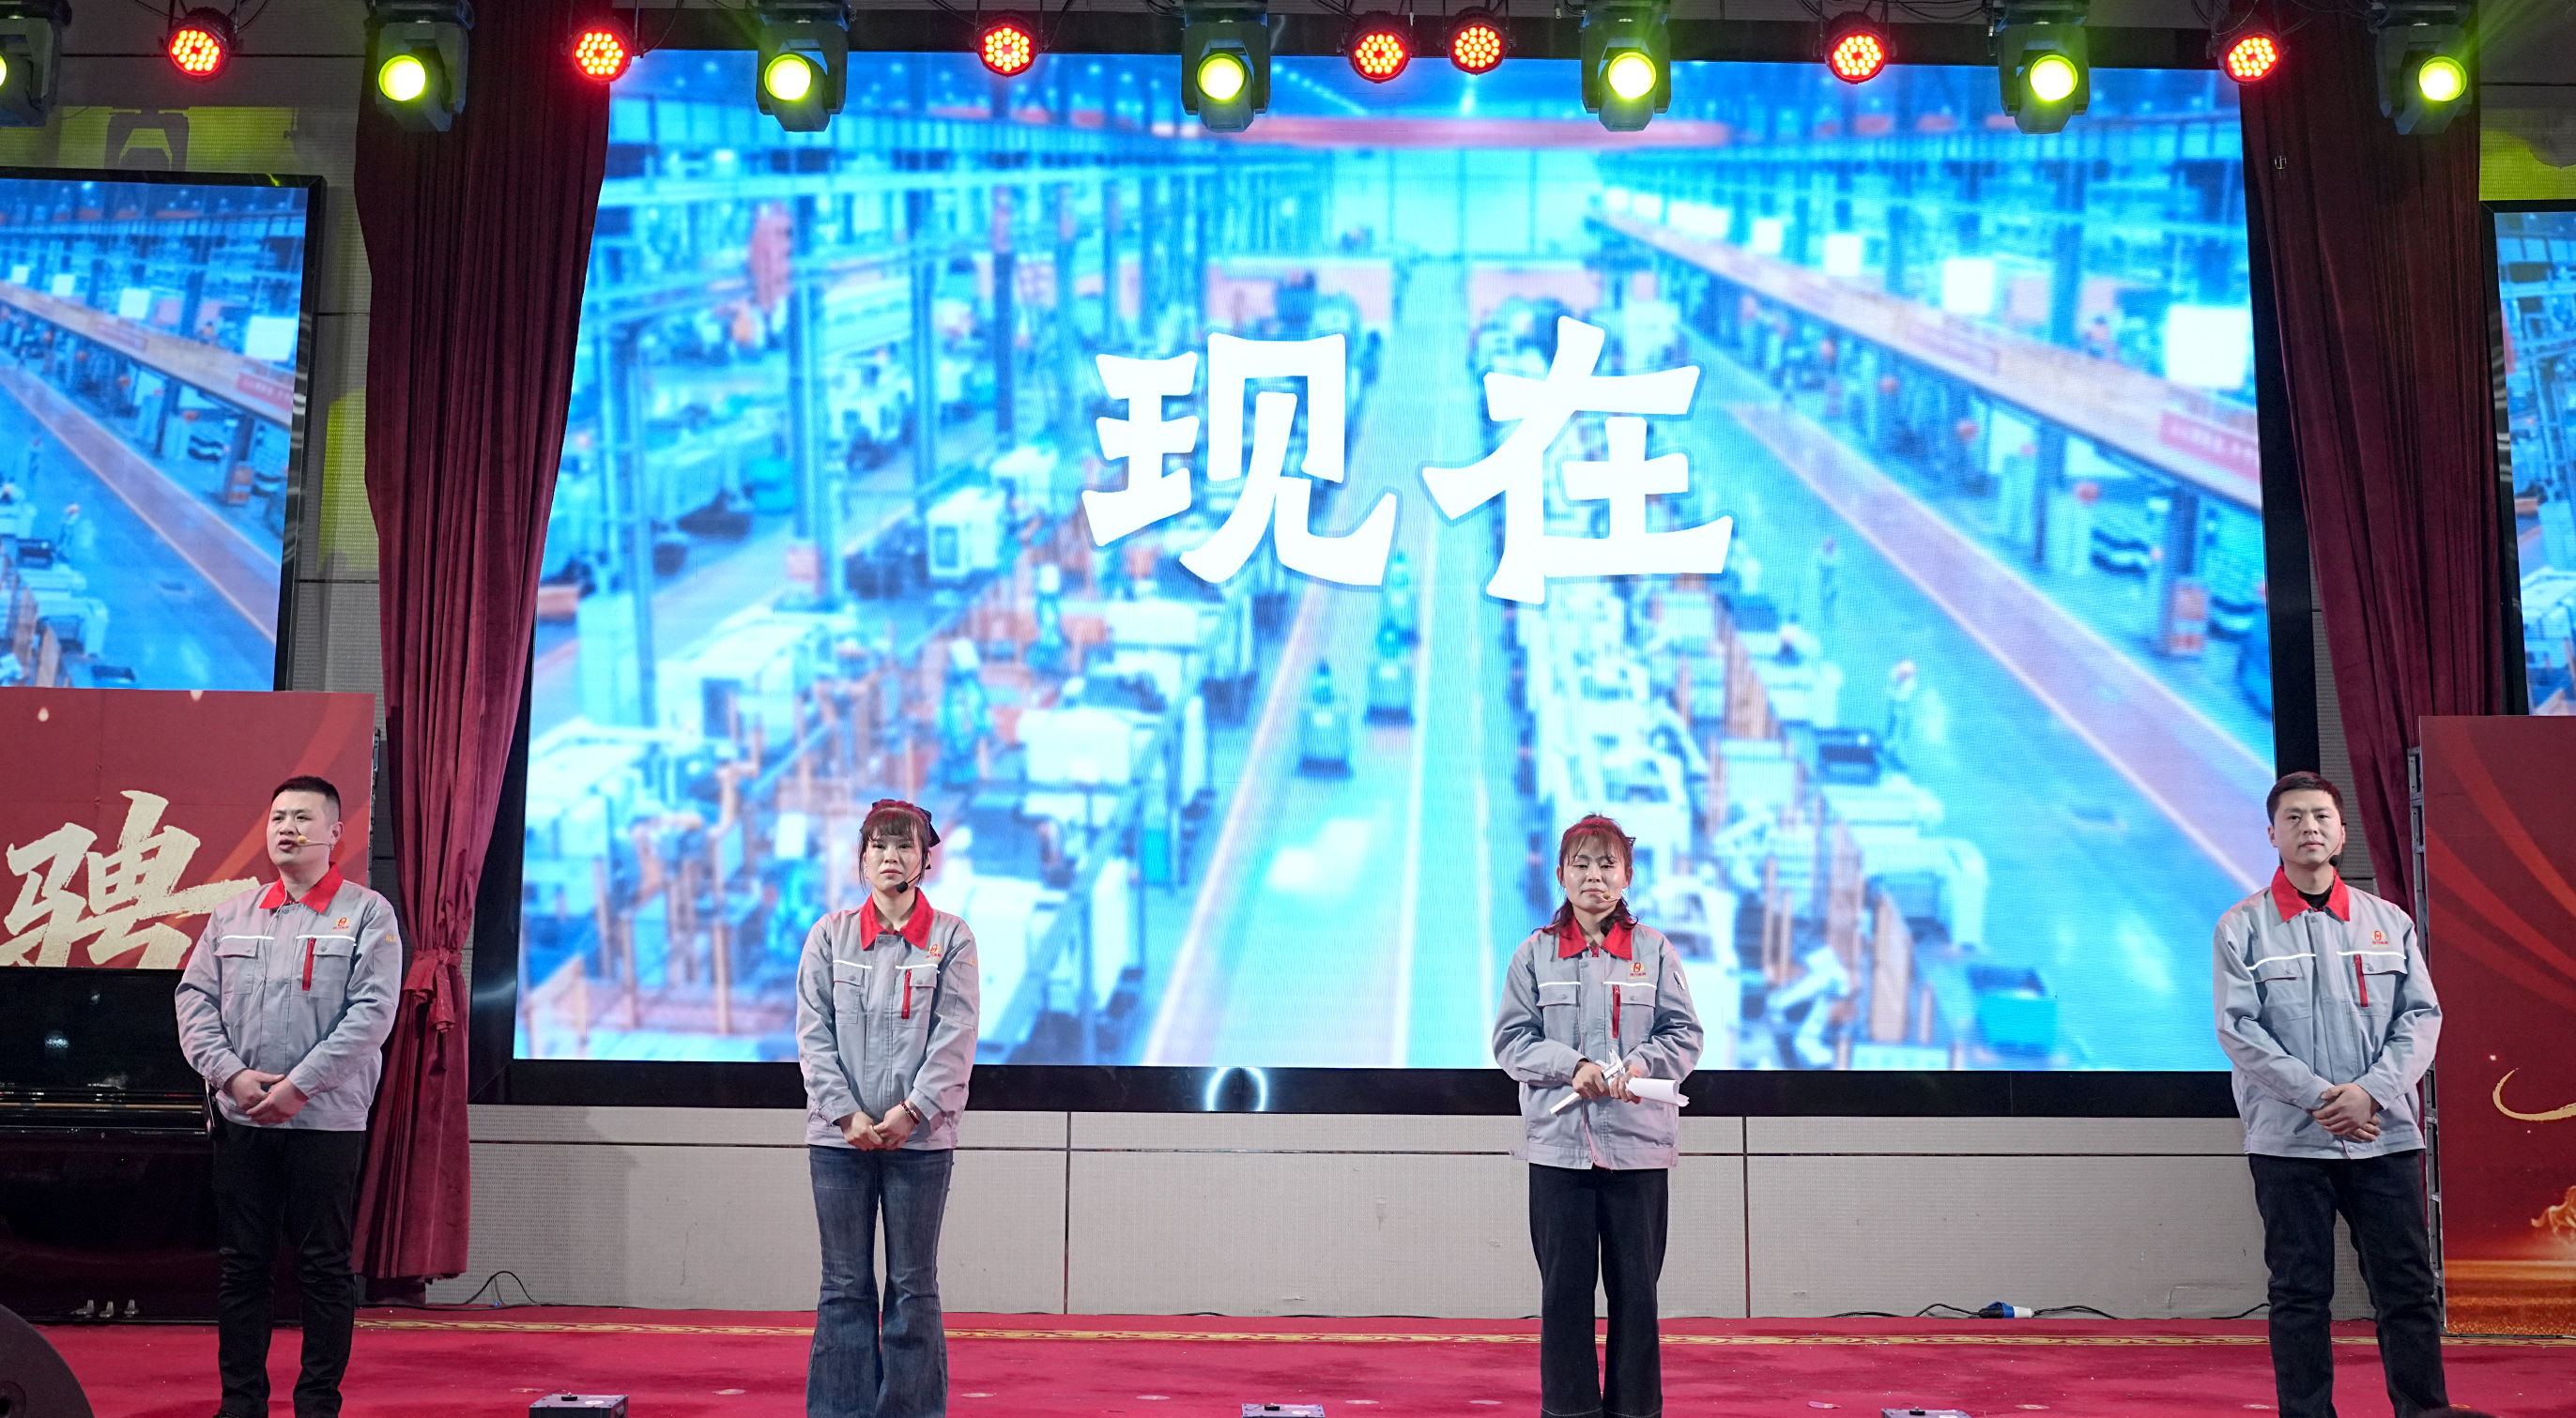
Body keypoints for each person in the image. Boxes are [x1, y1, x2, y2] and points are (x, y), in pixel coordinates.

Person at [2214, 771, 2446, 1418]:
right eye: (2293, 817)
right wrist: (2323, 1098)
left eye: (2321, 815)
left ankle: (2425, 1411)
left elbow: (2421, 1018)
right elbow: (2238, 1029)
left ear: (2342, 833)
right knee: (2299, 1295)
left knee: (2407, 1292)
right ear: (2272, 834)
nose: (2308, 827)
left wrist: (2370, 1094)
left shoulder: (2388, 922)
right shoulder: (2242, 927)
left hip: (2385, 1138)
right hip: (2290, 1144)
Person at [174, 776, 402, 1418]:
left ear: (335, 833)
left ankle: (317, 1405)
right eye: (277, 817)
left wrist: (299, 1086)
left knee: (324, 1266)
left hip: (325, 1119)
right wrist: (231, 1076)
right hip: (243, 1115)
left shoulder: (367, 913)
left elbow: (372, 1013)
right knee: (242, 1265)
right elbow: (194, 1001)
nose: (287, 829)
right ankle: (240, 1404)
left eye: (303, 817)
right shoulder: (232, 914)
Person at [1494, 815, 1705, 1418]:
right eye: (1581, 864)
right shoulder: (1534, 954)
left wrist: (1637, 1066)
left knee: (1637, 1294)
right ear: (1561, 874)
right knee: (1563, 1295)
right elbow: (1511, 1042)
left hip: (1637, 1150)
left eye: (1607, 864)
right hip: (1559, 1151)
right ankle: (1569, 1412)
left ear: (1627, 876)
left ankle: (1636, 1411)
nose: (1595, 876)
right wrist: (1573, 1067)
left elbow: (1684, 1034)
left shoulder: (1654, 951)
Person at [796, 799, 980, 1418]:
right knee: (843, 1286)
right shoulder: (829, 935)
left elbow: (955, 1036)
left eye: (904, 845)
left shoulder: (951, 937)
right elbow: (812, 1033)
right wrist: (845, 1114)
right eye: (878, 845)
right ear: (862, 858)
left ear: (926, 860)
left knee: (912, 1286)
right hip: (837, 1141)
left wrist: (914, 1110)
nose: (890, 856)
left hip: (920, 1142)